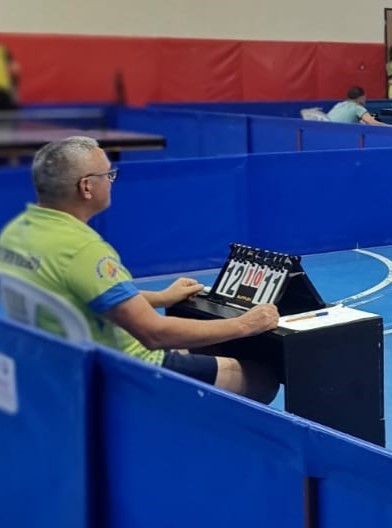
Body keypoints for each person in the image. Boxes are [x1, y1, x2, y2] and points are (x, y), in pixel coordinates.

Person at [0, 137, 281, 400]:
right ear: (86, 187)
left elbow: (87, 296)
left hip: (55, 361)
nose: (111, 181)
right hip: (122, 368)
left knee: (205, 346)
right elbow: (154, 334)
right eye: (108, 175)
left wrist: (161, 298)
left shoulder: (16, 233)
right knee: (263, 378)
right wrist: (245, 324)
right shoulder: (82, 249)